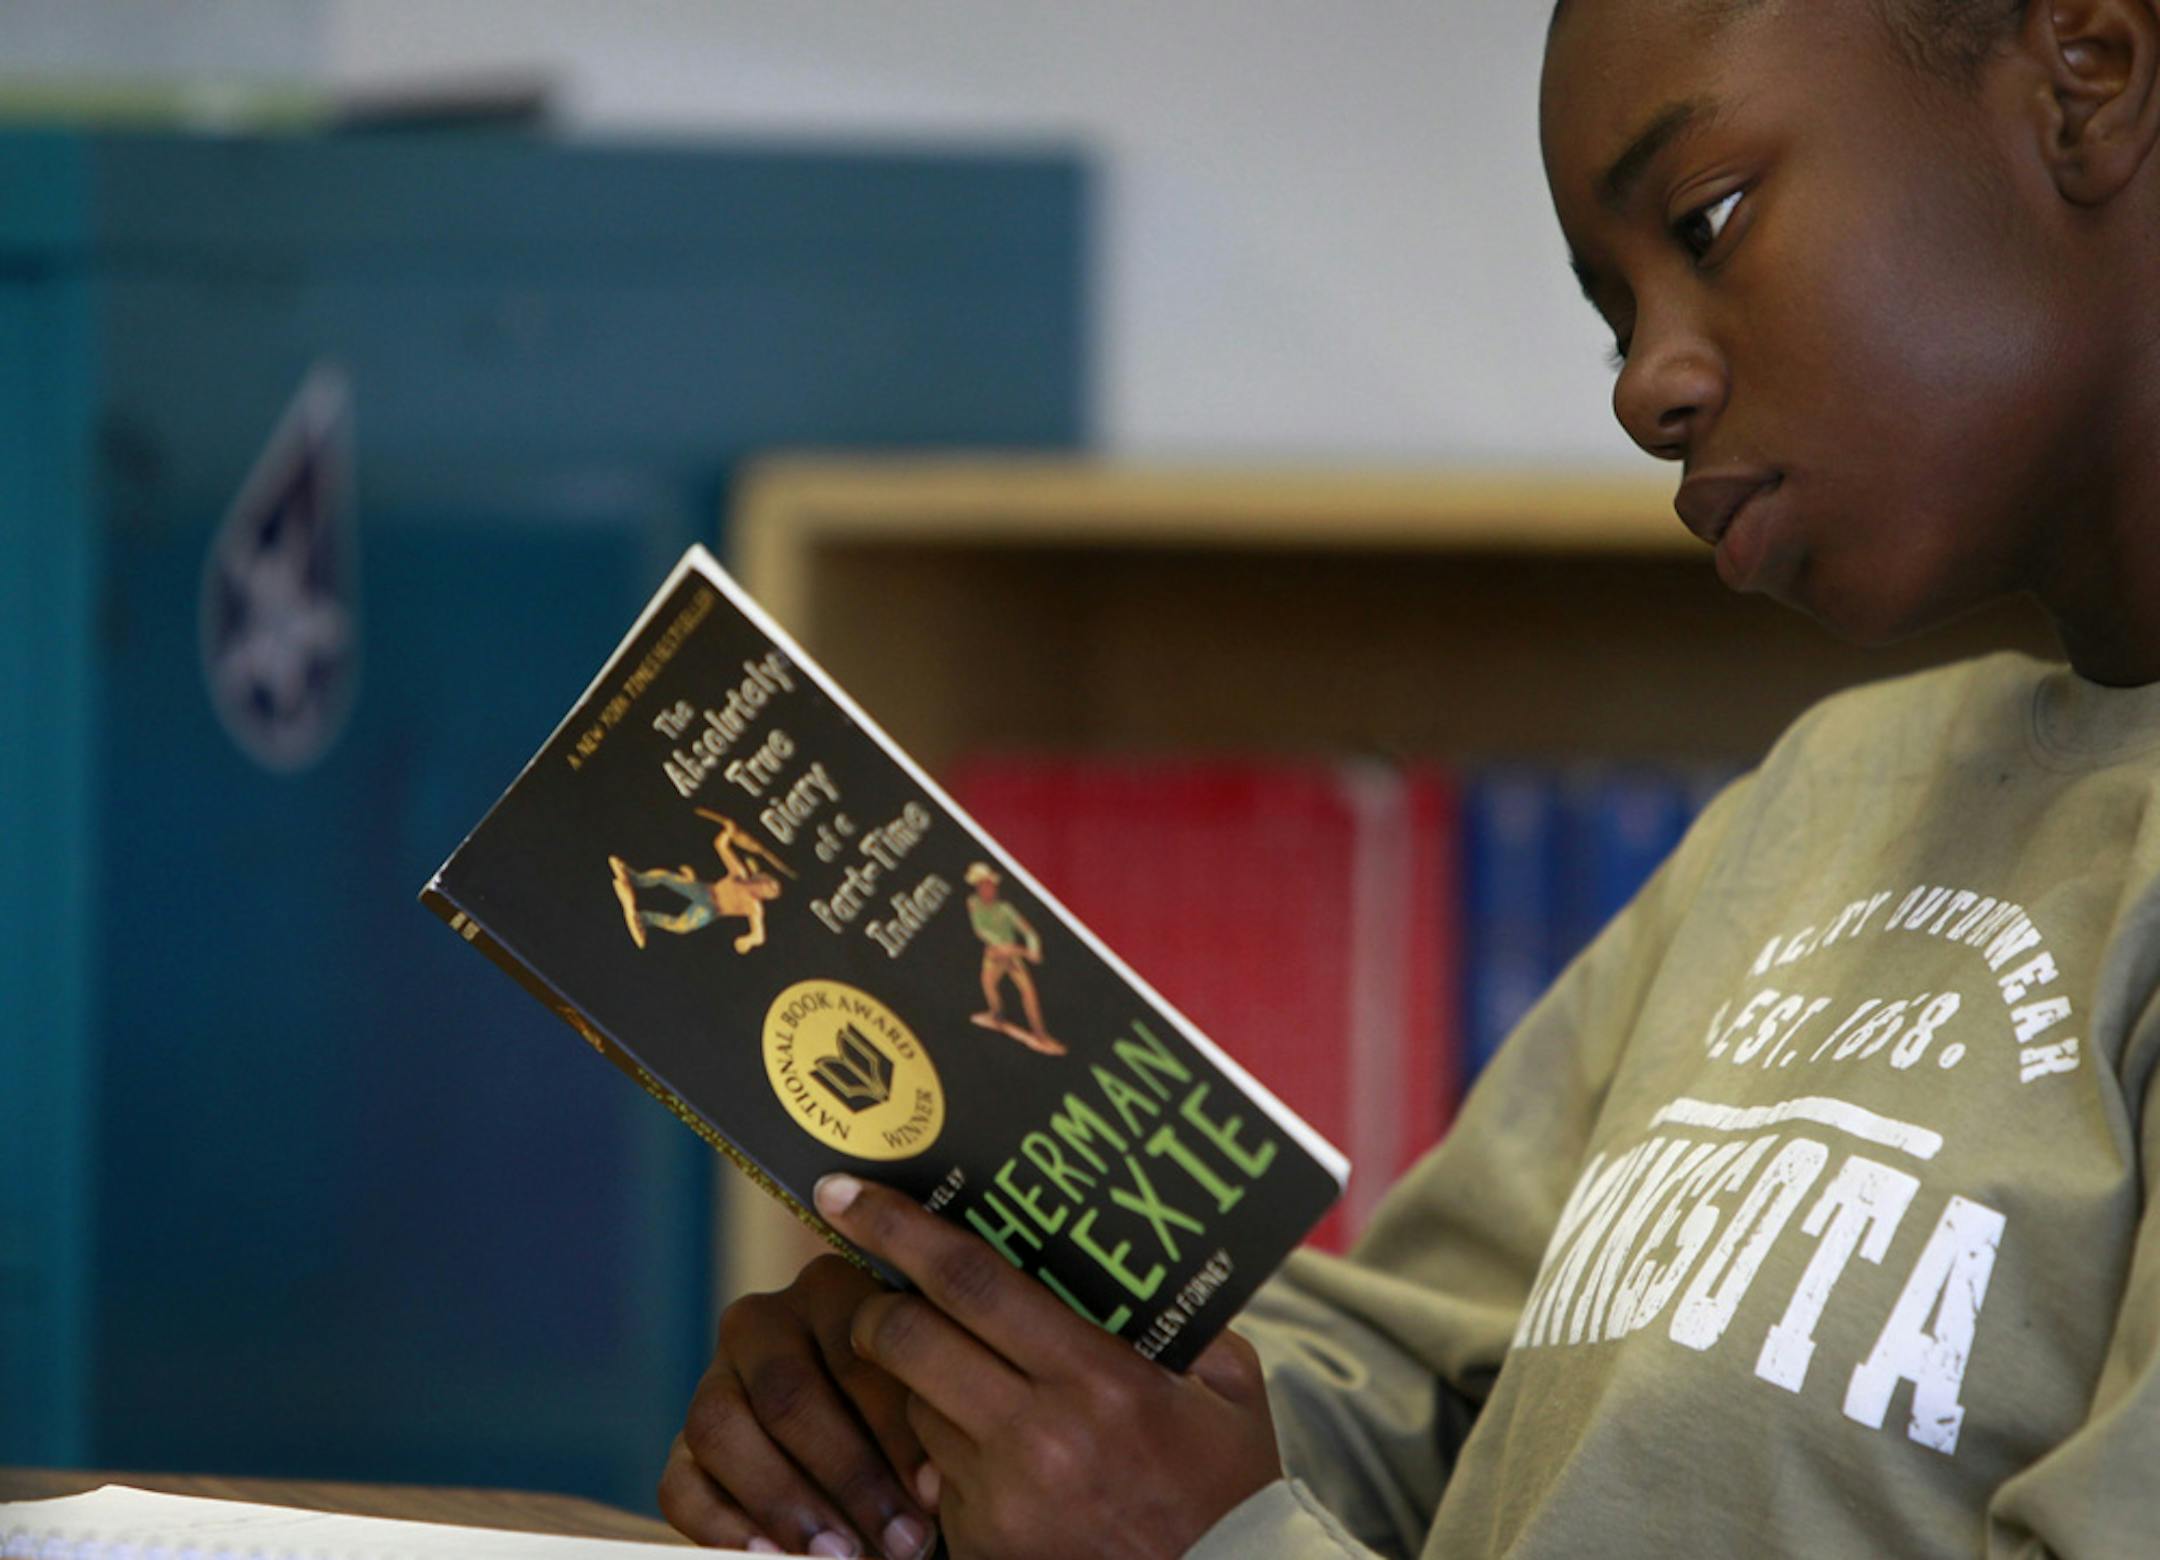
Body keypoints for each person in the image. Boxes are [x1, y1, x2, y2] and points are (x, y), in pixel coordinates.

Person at [657, 1, 2160, 1554]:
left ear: (2087, 81)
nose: (1647, 389)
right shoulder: (1833, 797)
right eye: (1613, 315)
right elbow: (1428, 1396)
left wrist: (1199, 1544)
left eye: (1707, 222)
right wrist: (974, 1410)